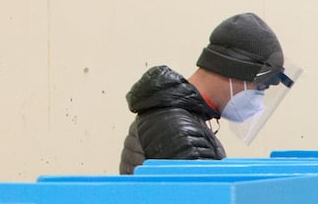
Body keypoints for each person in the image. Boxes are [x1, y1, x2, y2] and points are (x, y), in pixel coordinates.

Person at [118, 12, 289, 174]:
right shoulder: (177, 129)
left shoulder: (177, 117)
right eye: (260, 87)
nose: (259, 98)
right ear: (233, 70)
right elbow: (203, 201)